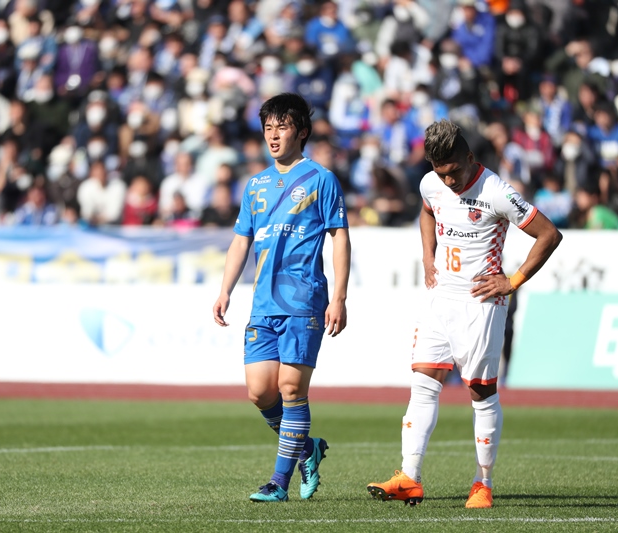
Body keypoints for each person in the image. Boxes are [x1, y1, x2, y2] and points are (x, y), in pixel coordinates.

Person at [366, 119, 562, 509]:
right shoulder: (431, 183)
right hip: (441, 297)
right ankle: (409, 477)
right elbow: (427, 212)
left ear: (470, 157)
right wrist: (428, 257)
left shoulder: (497, 191)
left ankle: (482, 483)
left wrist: (513, 280)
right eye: (442, 173)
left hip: (481, 303)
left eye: (454, 171)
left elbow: (549, 234)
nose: (449, 181)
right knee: (423, 381)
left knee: (480, 391)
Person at [212, 93, 351, 503]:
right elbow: (241, 241)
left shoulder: (321, 179)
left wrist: (339, 297)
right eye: (268, 128)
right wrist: (224, 290)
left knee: (291, 388)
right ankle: (307, 448)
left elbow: (340, 238)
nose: (273, 136)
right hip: (263, 303)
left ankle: (278, 483)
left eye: (282, 127)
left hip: (304, 300)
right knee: (259, 392)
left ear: (301, 132)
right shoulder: (255, 185)